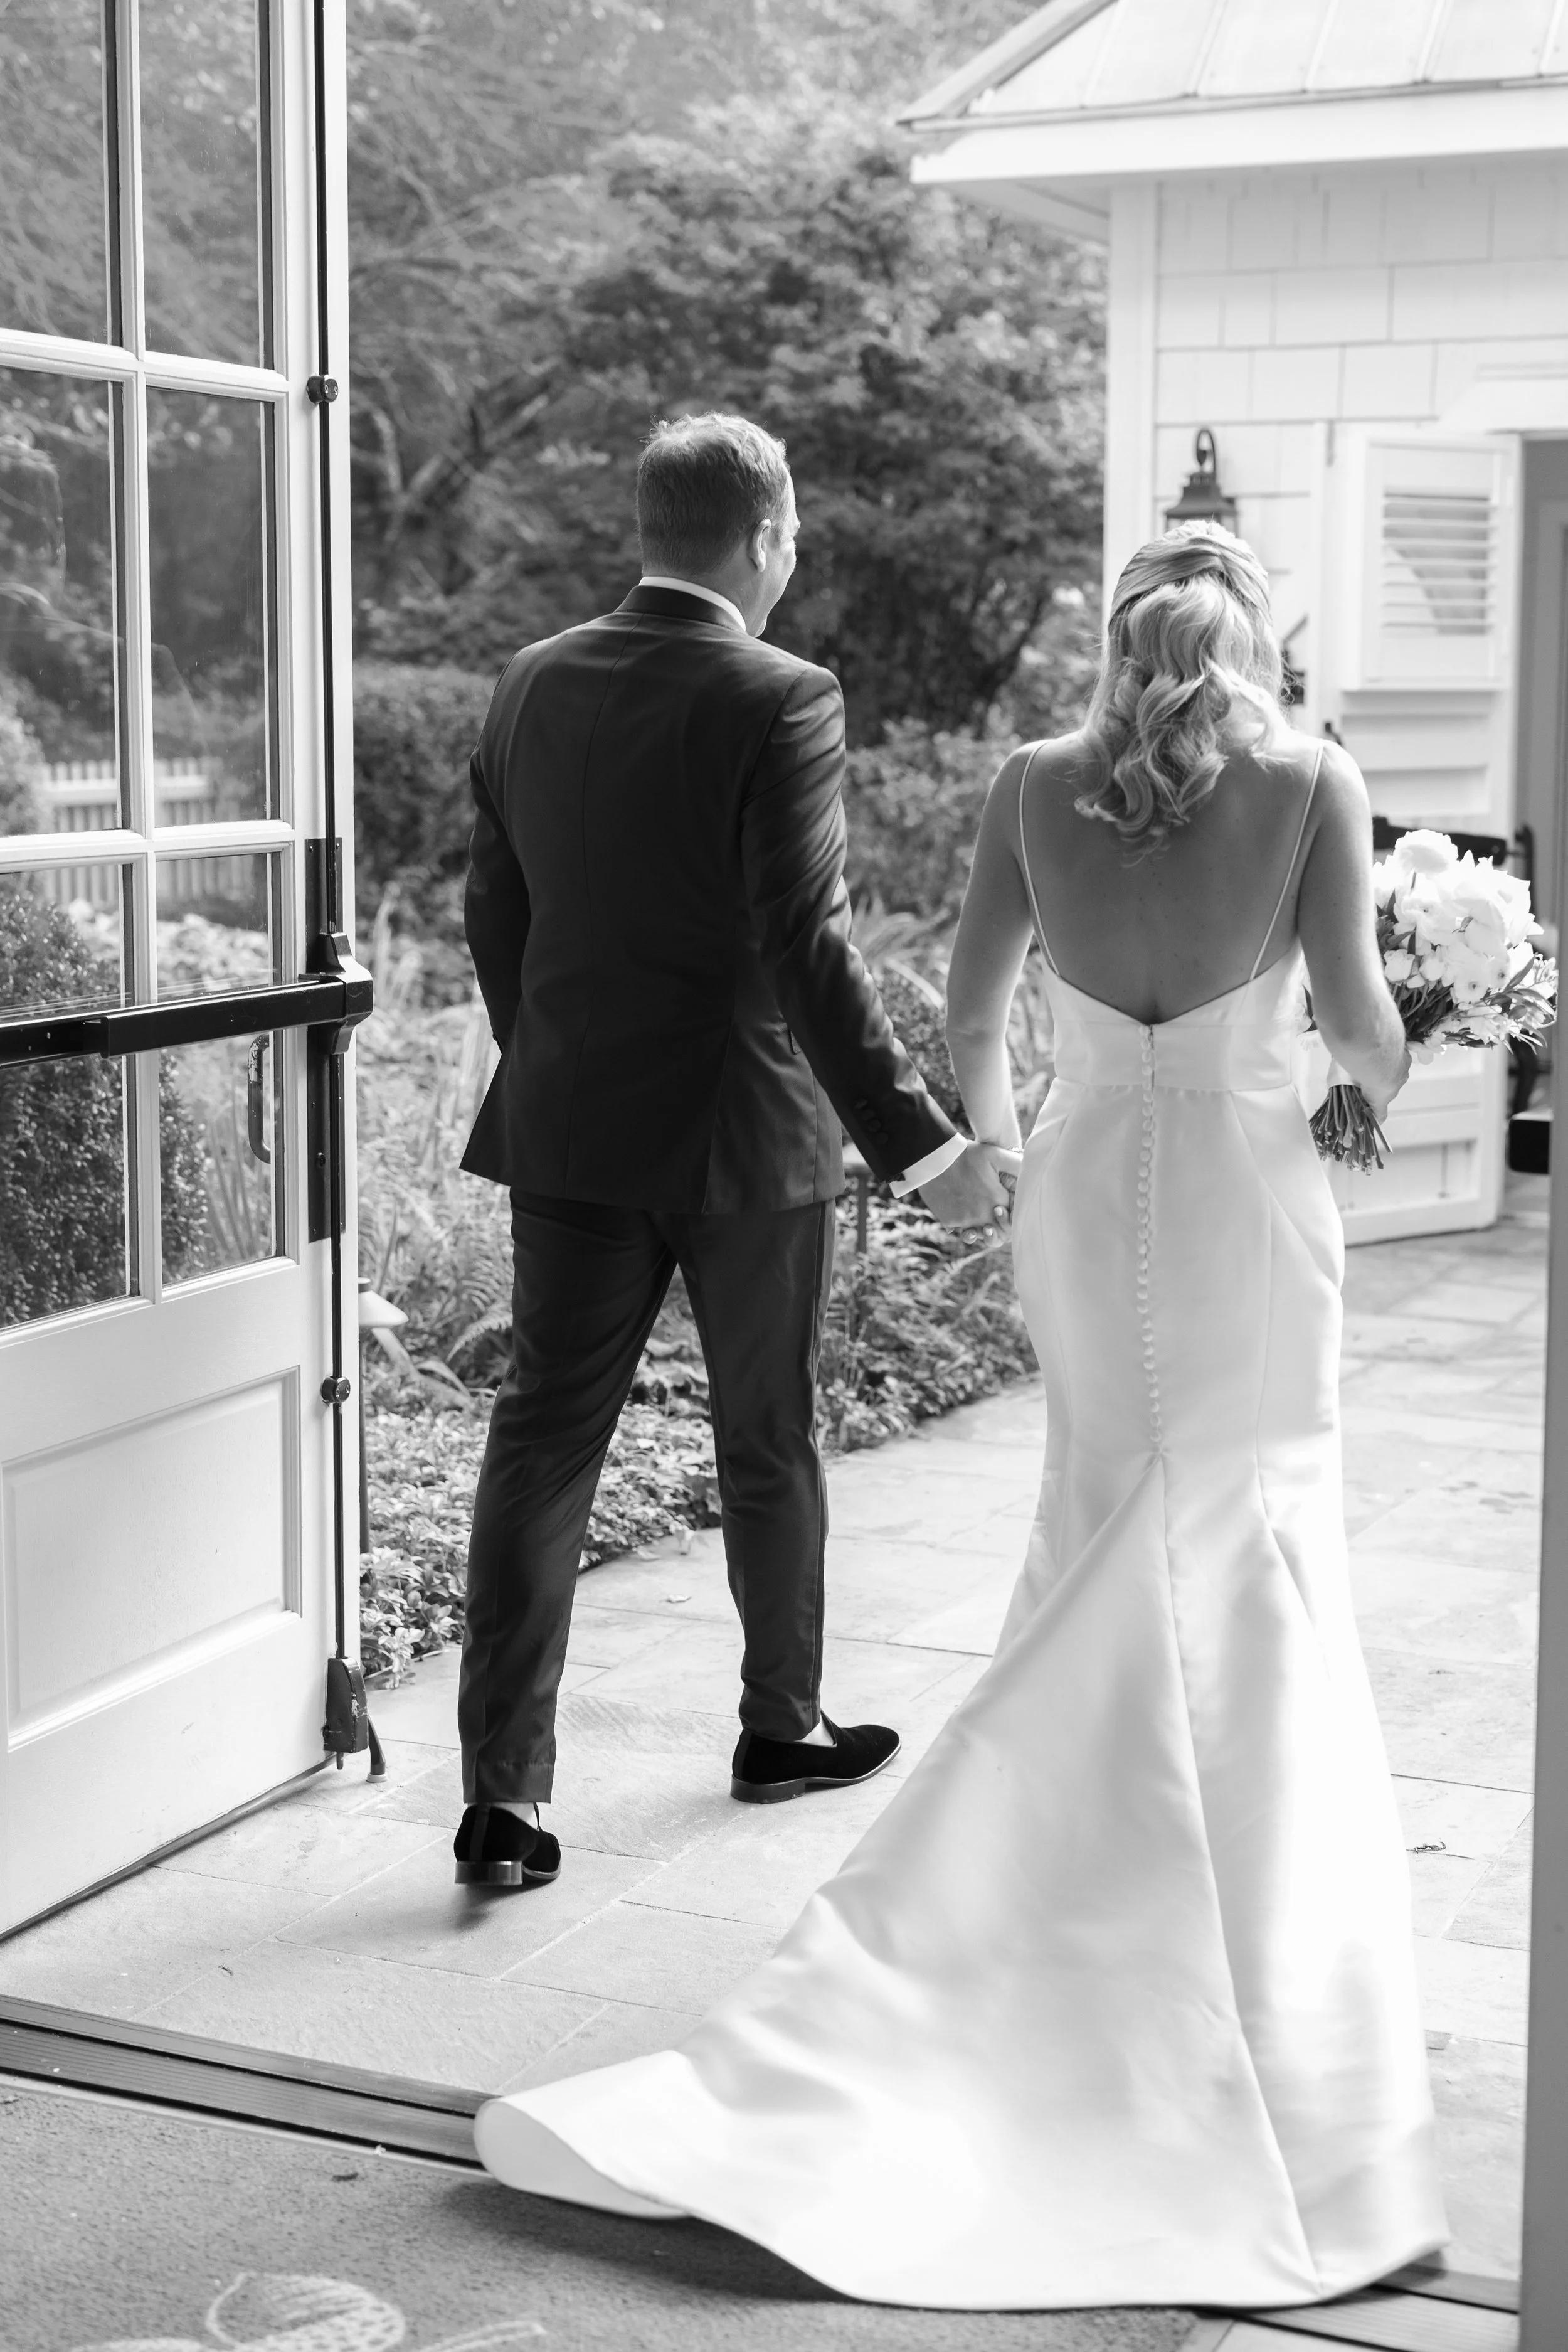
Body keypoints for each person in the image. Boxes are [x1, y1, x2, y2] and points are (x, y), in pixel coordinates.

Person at [472, 522, 1449, 2312]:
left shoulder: (1027, 782)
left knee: (1103, 1496)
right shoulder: (1311, 781)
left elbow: (972, 1015)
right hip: (1243, 1192)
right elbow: (1366, 1040)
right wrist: (1412, 1029)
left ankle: (1044, 1872)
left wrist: (1000, 1156)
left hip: (1082, 1184)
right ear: (1248, 644)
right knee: (1236, 1513)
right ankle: (1227, 1896)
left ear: (1120, 640)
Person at [453, 412, 1009, 1892]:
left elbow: (491, 906)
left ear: (651, 526)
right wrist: (922, 1146)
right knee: (766, 1436)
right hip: (744, 1140)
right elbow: (805, 942)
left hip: (569, 1128)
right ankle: (779, 1726)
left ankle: (503, 1801)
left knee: (541, 1442)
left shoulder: (529, 677)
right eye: (794, 536)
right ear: (764, 536)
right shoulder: (784, 693)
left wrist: (554, 1055)